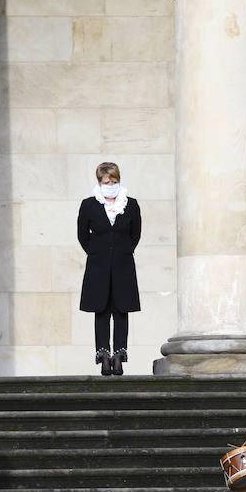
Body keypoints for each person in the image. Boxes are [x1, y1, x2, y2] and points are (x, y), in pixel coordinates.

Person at [76, 161, 140, 376]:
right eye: (106, 181)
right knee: (101, 311)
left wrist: (123, 251)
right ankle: (103, 356)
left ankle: (120, 356)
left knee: (121, 311)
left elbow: (135, 234)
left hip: (123, 266)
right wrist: (96, 252)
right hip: (98, 266)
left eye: (113, 181)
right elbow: (83, 235)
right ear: (99, 182)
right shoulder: (89, 205)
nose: (110, 184)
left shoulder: (130, 204)